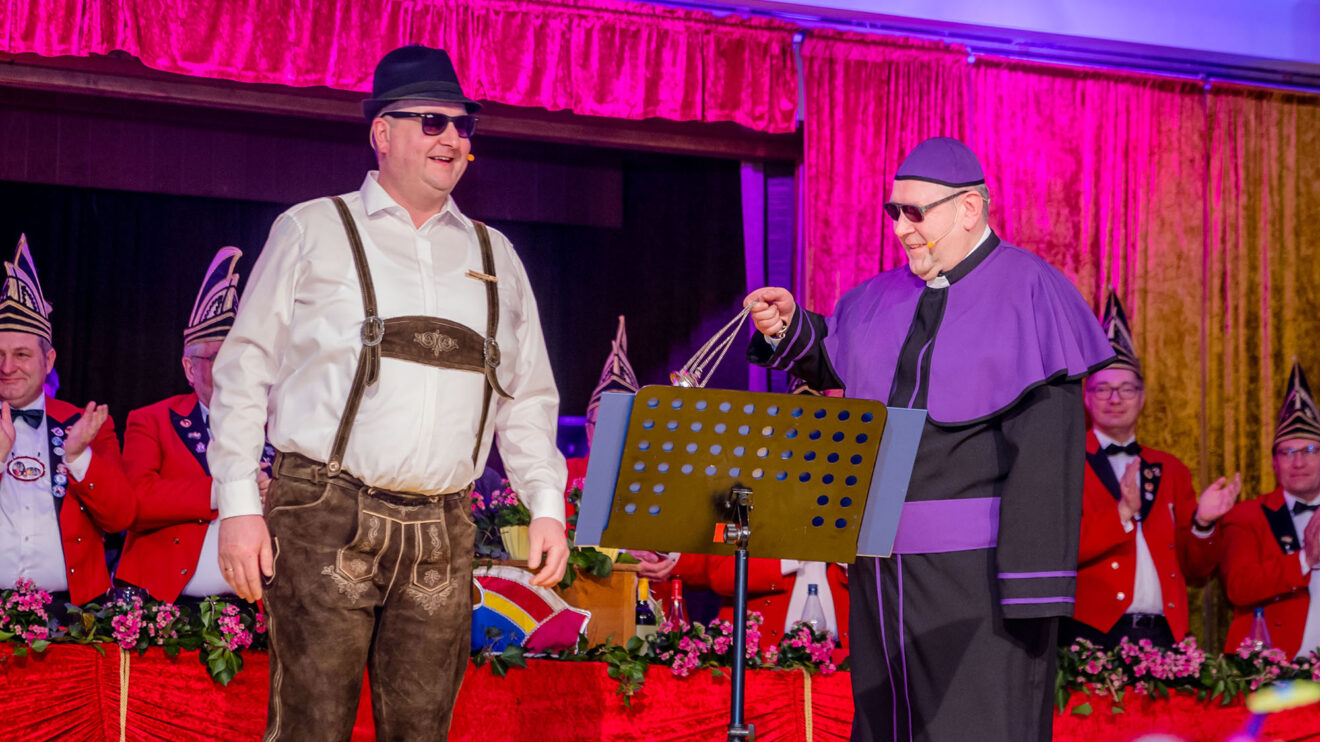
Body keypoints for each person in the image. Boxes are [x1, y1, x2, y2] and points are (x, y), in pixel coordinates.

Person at [208, 45, 569, 741]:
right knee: (311, 728)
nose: (454, 140)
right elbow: (243, 371)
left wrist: (546, 503)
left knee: (423, 732)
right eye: (433, 122)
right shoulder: (312, 229)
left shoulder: (497, 256)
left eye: (464, 127)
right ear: (383, 132)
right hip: (324, 511)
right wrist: (237, 506)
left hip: (443, 525)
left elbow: (527, 396)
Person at [744, 137, 1114, 742]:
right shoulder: (880, 296)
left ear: (969, 208)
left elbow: (1046, 460)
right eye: (894, 211)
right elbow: (847, 362)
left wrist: (1031, 593)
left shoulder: (1031, 292)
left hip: (977, 586)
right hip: (879, 577)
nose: (900, 228)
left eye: (916, 212)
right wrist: (792, 329)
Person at [1065, 292, 1239, 650]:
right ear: (1086, 397)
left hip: (1165, 637)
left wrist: (1204, 524)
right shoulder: (1066, 460)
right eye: (1103, 389)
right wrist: (1121, 514)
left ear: (1142, 399)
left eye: (1126, 388)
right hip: (1092, 634)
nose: (1116, 398)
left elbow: (1197, 569)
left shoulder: (1170, 468)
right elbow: (1054, 548)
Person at [114, 248, 272, 603]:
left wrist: (271, 492)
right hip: (162, 601)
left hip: (257, 606)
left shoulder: (278, 424)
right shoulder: (151, 419)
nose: (229, 369)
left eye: (237, 358)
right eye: (216, 358)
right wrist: (227, 489)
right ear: (189, 368)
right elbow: (134, 502)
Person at [0, 235, 133, 608]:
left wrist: (77, 457)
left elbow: (120, 517)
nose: (7, 367)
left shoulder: (86, 425)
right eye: (0, 354)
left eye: (22, 354)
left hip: (71, 616)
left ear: (49, 360)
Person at [1221, 361, 1320, 658]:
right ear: (1274, 463)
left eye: (1310, 451)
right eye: (1287, 452)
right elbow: (1239, 587)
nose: (1298, 462)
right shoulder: (1246, 515)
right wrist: (1305, 559)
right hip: (1271, 669)